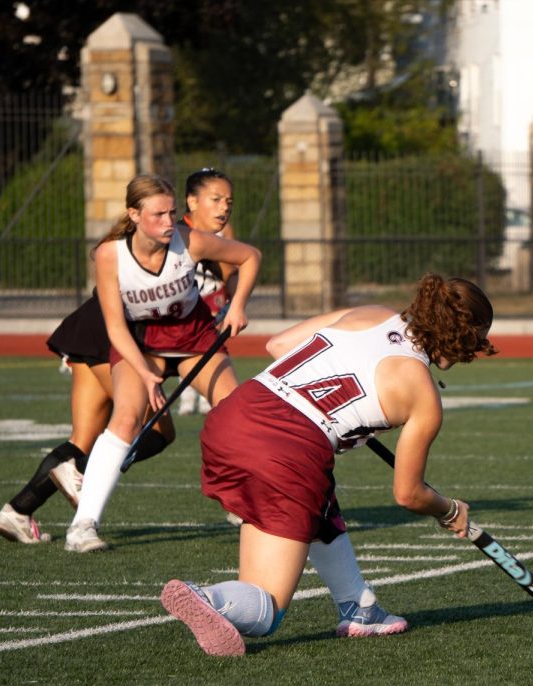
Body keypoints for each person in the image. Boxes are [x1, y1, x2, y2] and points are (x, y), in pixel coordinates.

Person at [160, 273, 497, 656]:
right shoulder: (422, 395)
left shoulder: (372, 312)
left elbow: (279, 345)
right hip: (286, 450)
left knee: (320, 497)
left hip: (235, 413)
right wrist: (448, 509)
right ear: (463, 338)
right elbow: (408, 494)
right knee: (266, 611)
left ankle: (359, 607)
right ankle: (207, 598)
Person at [63, 173, 260, 554]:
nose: (169, 222)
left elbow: (251, 256)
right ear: (134, 215)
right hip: (140, 342)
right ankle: (82, 526)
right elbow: (116, 327)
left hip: (193, 338)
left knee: (237, 412)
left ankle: (241, 501)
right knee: (125, 420)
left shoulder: (191, 242)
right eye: (158, 215)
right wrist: (144, 374)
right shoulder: (110, 255)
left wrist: (238, 306)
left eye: (172, 213)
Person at [0, 294, 175, 543]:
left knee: (81, 441)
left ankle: (17, 511)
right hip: (114, 331)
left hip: (92, 323)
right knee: (160, 430)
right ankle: (79, 469)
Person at [175, 168, 236, 417]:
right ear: (192, 201)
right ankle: (188, 398)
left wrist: (236, 303)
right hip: (159, 329)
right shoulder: (174, 235)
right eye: (216, 199)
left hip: (209, 299)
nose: (224, 207)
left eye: (228, 201)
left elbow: (247, 259)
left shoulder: (220, 232)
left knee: (230, 406)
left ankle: (203, 399)